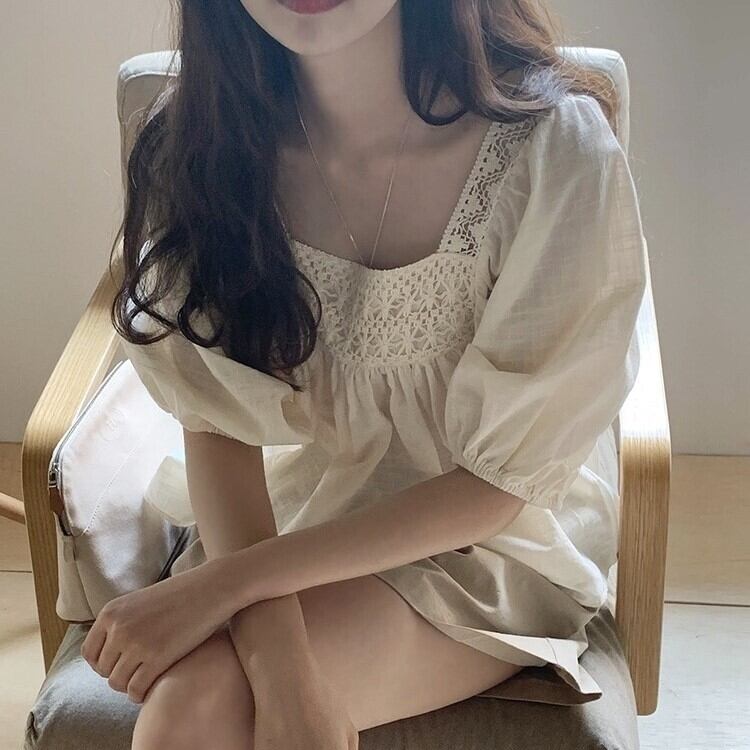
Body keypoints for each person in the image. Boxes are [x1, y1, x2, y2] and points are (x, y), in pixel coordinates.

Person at [83, 1, 647, 747]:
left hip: (485, 548)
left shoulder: (553, 152)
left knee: (196, 710)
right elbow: (217, 426)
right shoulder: (199, 147)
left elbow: (499, 486)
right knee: (196, 710)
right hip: (286, 519)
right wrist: (283, 671)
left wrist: (224, 586)